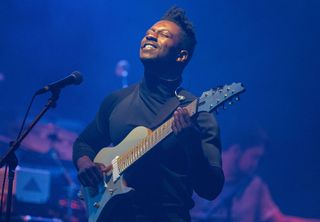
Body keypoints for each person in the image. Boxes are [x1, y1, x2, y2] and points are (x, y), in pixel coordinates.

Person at [73, 6, 224, 222]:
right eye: (149, 32)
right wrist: (85, 163)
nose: (151, 35)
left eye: (163, 34)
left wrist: (191, 144)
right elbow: (84, 143)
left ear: (181, 56)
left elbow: (211, 188)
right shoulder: (117, 100)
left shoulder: (198, 112)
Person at [190, 127, 320, 222]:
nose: (256, 163)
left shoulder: (255, 186)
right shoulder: (199, 173)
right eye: (254, 156)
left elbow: (278, 219)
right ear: (236, 151)